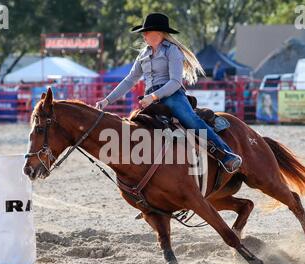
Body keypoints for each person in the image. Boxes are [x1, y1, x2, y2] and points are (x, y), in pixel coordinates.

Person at [96, 12, 242, 173]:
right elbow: (130, 80)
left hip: (171, 95)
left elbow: (175, 82)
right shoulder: (143, 55)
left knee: (191, 121)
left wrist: (152, 97)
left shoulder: (172, 51)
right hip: (150, 99)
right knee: (137, 127)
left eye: (146, 31)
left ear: (158, 33)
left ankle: (227, 155)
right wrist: (107, 101)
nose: (143, 35)